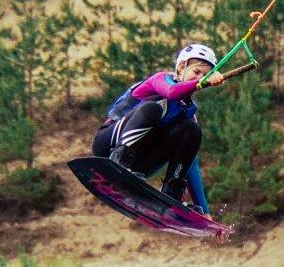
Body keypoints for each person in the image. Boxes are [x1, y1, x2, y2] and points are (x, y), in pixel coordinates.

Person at [91, 43, 228, 212]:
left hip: (139, 164)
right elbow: (171, 92)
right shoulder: (161, 79)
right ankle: (120, 161)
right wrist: (200, 82)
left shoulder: (188, 112)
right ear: (181, 67)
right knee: (153, 108)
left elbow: (190, 163)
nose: (201, 78)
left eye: (206, 75)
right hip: (108, 145)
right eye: (197, 72)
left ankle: (172, 193)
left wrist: (205, 212)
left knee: (192, 130)